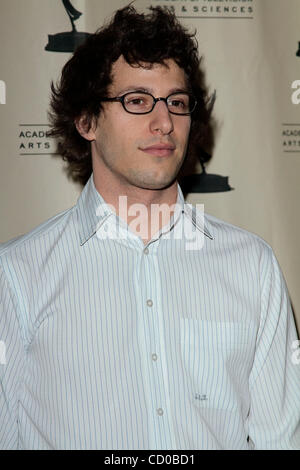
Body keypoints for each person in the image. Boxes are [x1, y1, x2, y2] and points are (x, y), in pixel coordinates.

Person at [0, 5, 299, 450]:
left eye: (176, 102)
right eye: (136, 101)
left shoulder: (251, 266)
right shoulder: (18, 275)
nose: (164, 122)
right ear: (86, 121)